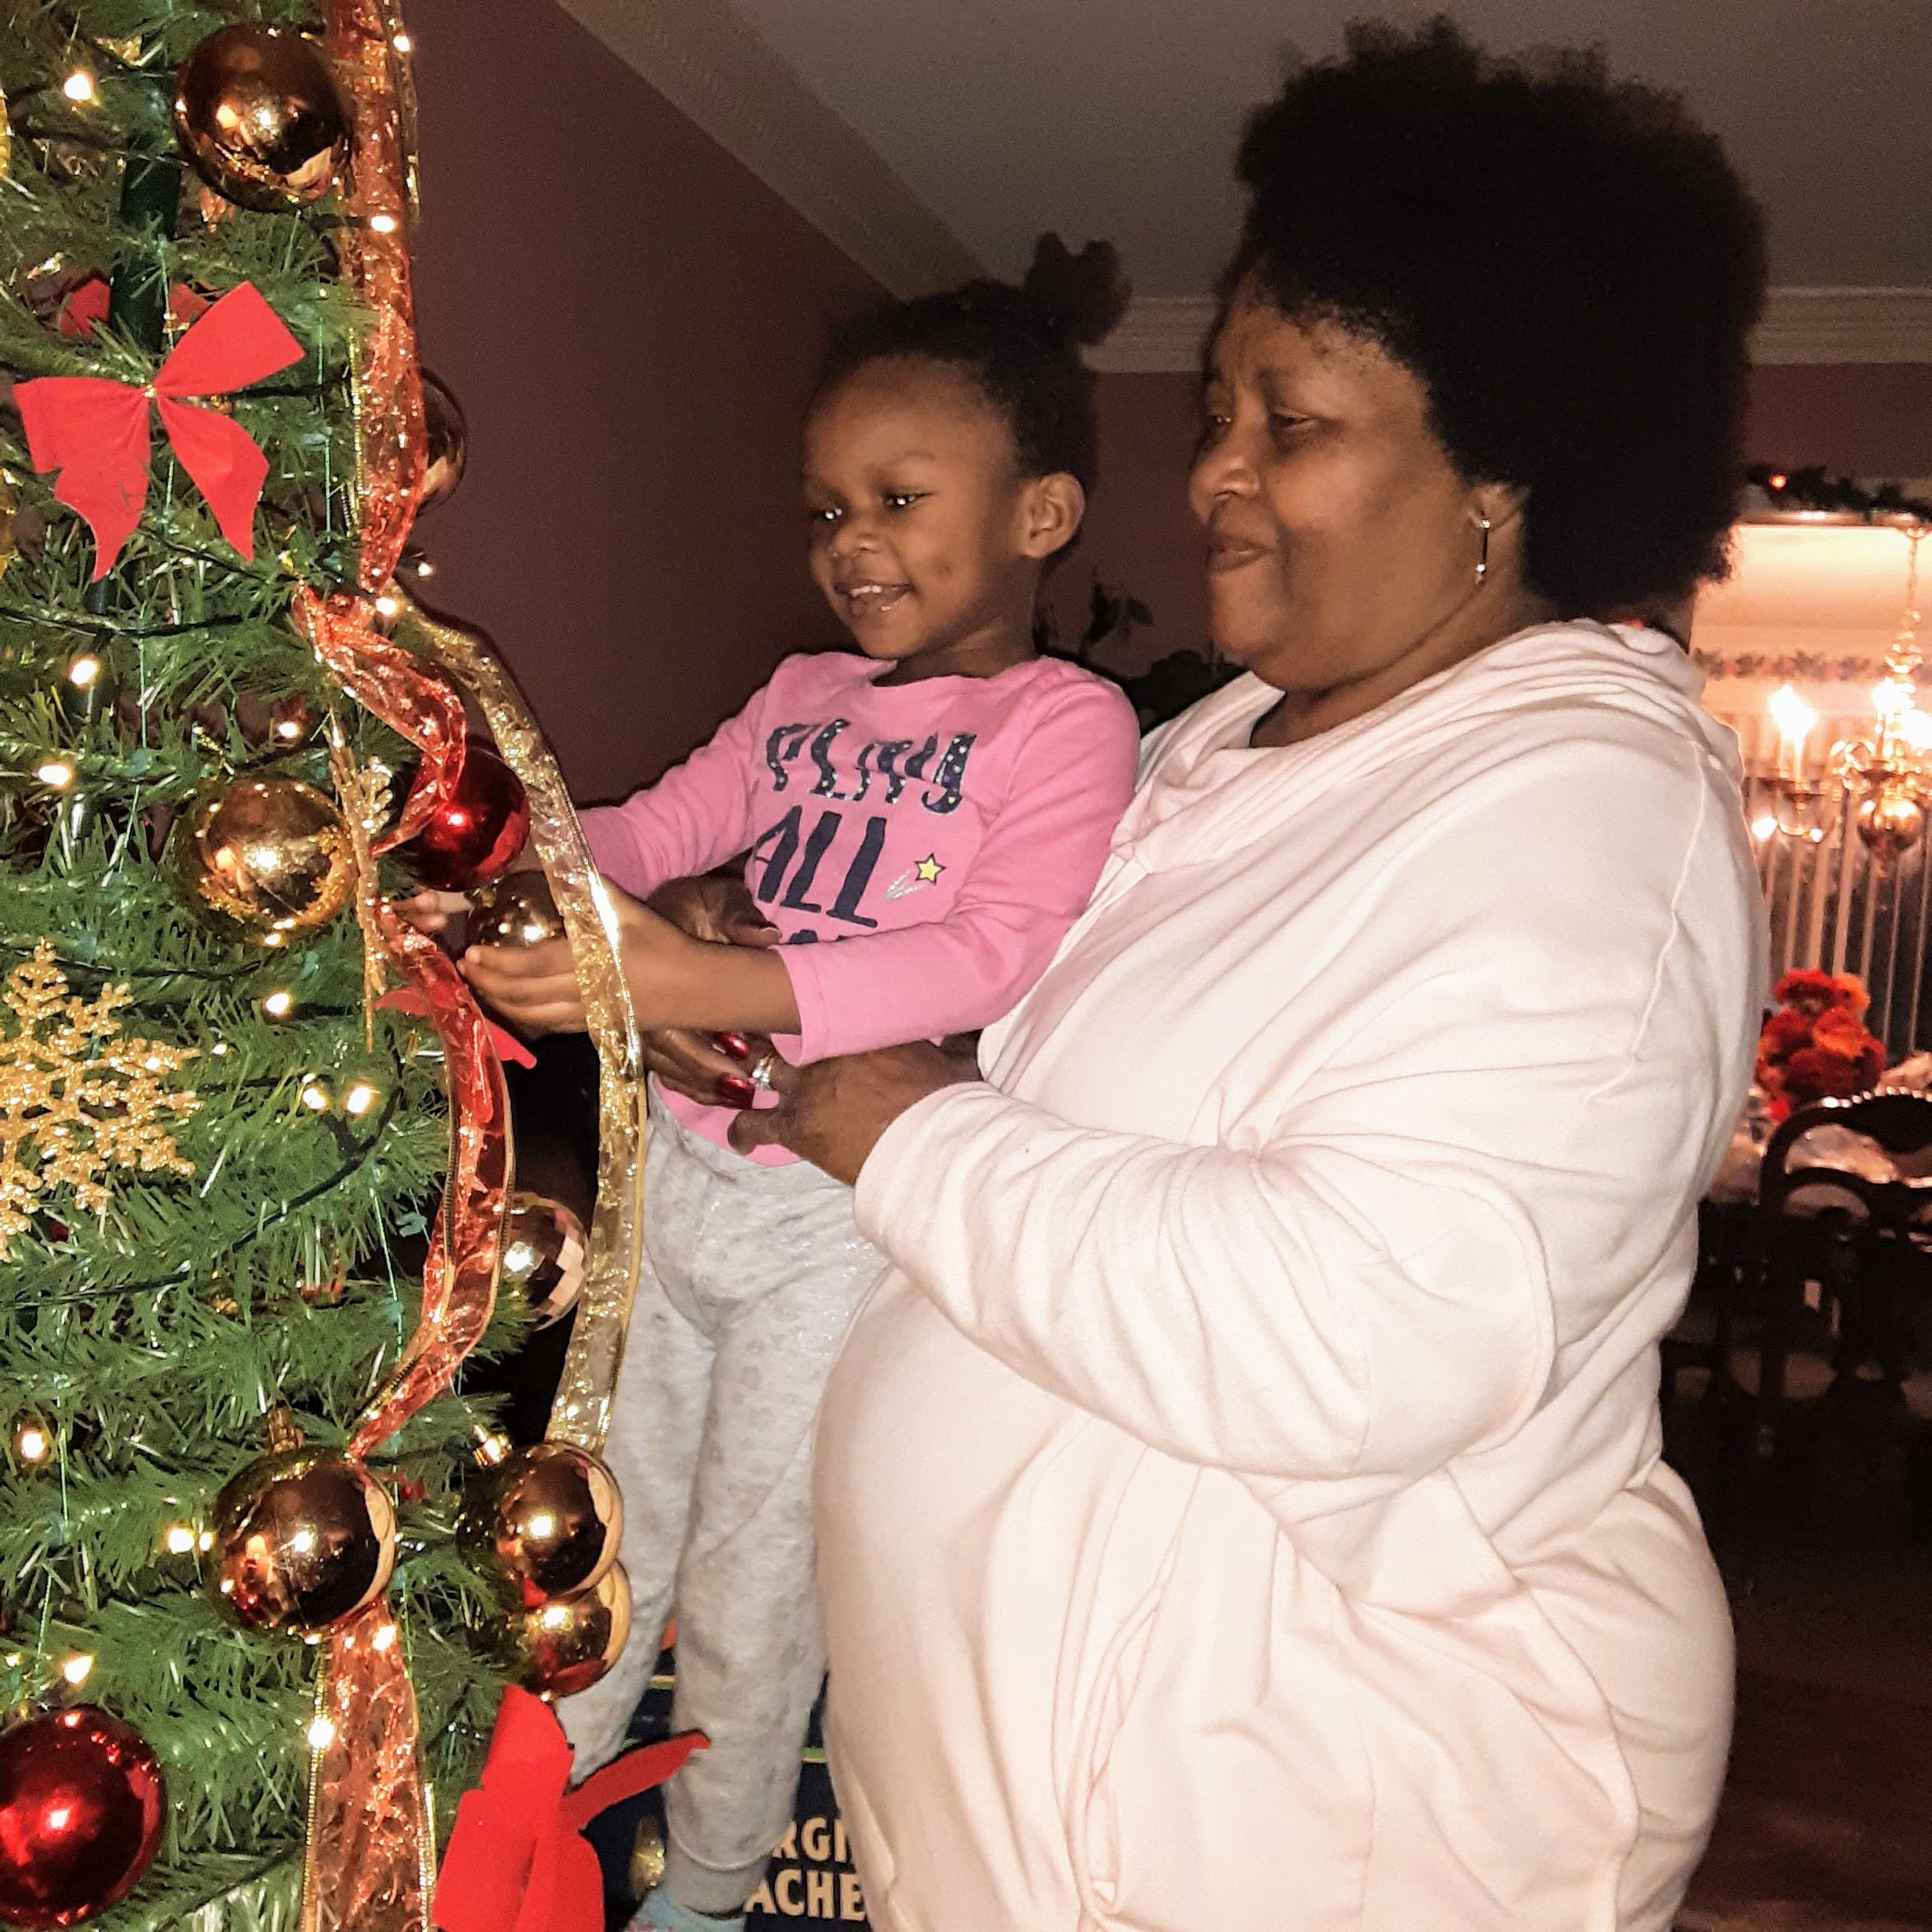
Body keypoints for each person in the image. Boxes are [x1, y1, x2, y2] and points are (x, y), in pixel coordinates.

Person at [680, 22, 1769, 1931]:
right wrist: (788, 984)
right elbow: (1017, 1044)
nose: (1212, 480)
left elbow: (1370, 1326)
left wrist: (905, 1128)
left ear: (1504, 465)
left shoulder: (1588, 804)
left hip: (1314, 1827)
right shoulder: (1216, 744)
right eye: (1219, 413)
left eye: (1297, 423)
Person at [409, 237, 1141, 1932]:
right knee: (602, 1527)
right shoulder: (804, 697)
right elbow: (656, 830)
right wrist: (509, 879)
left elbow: (984, 958)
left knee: (754, 1578)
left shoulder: (1063, 725)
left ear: (1040, 516)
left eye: (897, 498)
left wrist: (692, 980)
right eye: (826, 511)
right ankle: (542, 1850)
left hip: (831, 1220)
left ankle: (708, 1887)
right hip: (679, 1182)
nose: (852, 546)